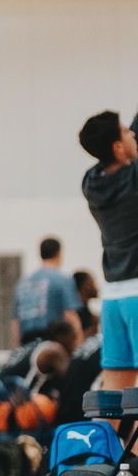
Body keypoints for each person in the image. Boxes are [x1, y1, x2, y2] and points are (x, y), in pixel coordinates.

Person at [80, 111, 138, 392]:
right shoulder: (133, 180)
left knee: (114, 390)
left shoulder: (91, 182)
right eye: (127, 132)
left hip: (113, 298)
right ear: (117, 147)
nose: (133, 134)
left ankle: (104, 426)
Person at [13, 235, 82, 345]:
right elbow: (70, 315)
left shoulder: (22, 283)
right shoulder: (62, 279)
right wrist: (79, 344)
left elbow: (15, 322)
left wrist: (18, 348)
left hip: (27, 343)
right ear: (59, 254)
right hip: (51, 343)